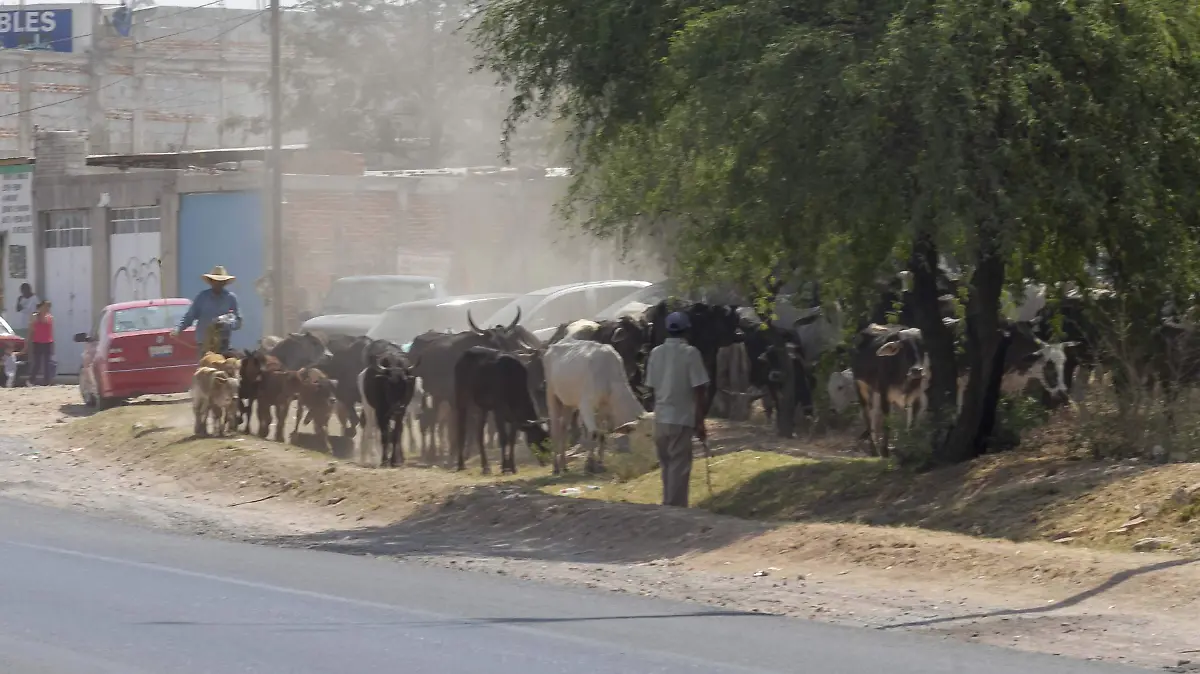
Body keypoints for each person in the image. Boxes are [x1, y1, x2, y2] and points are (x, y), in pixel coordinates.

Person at [644, 311, 710, 508]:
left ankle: (667, 505)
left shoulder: (656, 353)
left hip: (661, 418)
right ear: (687, 331)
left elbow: (652, 386)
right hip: (681, 418)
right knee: (679, 467)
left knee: (666, 466)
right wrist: (700, 421)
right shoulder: (691, 353)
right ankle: (676, 509)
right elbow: (699, 389)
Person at [172, 265, 243, 358]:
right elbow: (190, 316)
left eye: (221, 282)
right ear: (211, 282)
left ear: (224, 283)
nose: (218, 284)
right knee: (205, 370)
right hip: (204, 345)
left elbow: (238, 321)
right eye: (216, 281)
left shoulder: (231, 298)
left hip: (223, 345)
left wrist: (226, 323)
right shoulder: (202, 297)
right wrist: (178, 329)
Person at [28, 300, 54, 386]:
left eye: (48, 306)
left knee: (47, 363)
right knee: (37, 363)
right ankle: (31, 380)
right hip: (37, 342)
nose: (47, 308)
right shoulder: (35, 316)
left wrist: (53, 344)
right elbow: (31, 330)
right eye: (46, 306)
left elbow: (51, 331)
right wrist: (28, 342)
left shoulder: (50, 317)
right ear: (41, 306)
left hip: (47, 342)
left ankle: (47, 381)